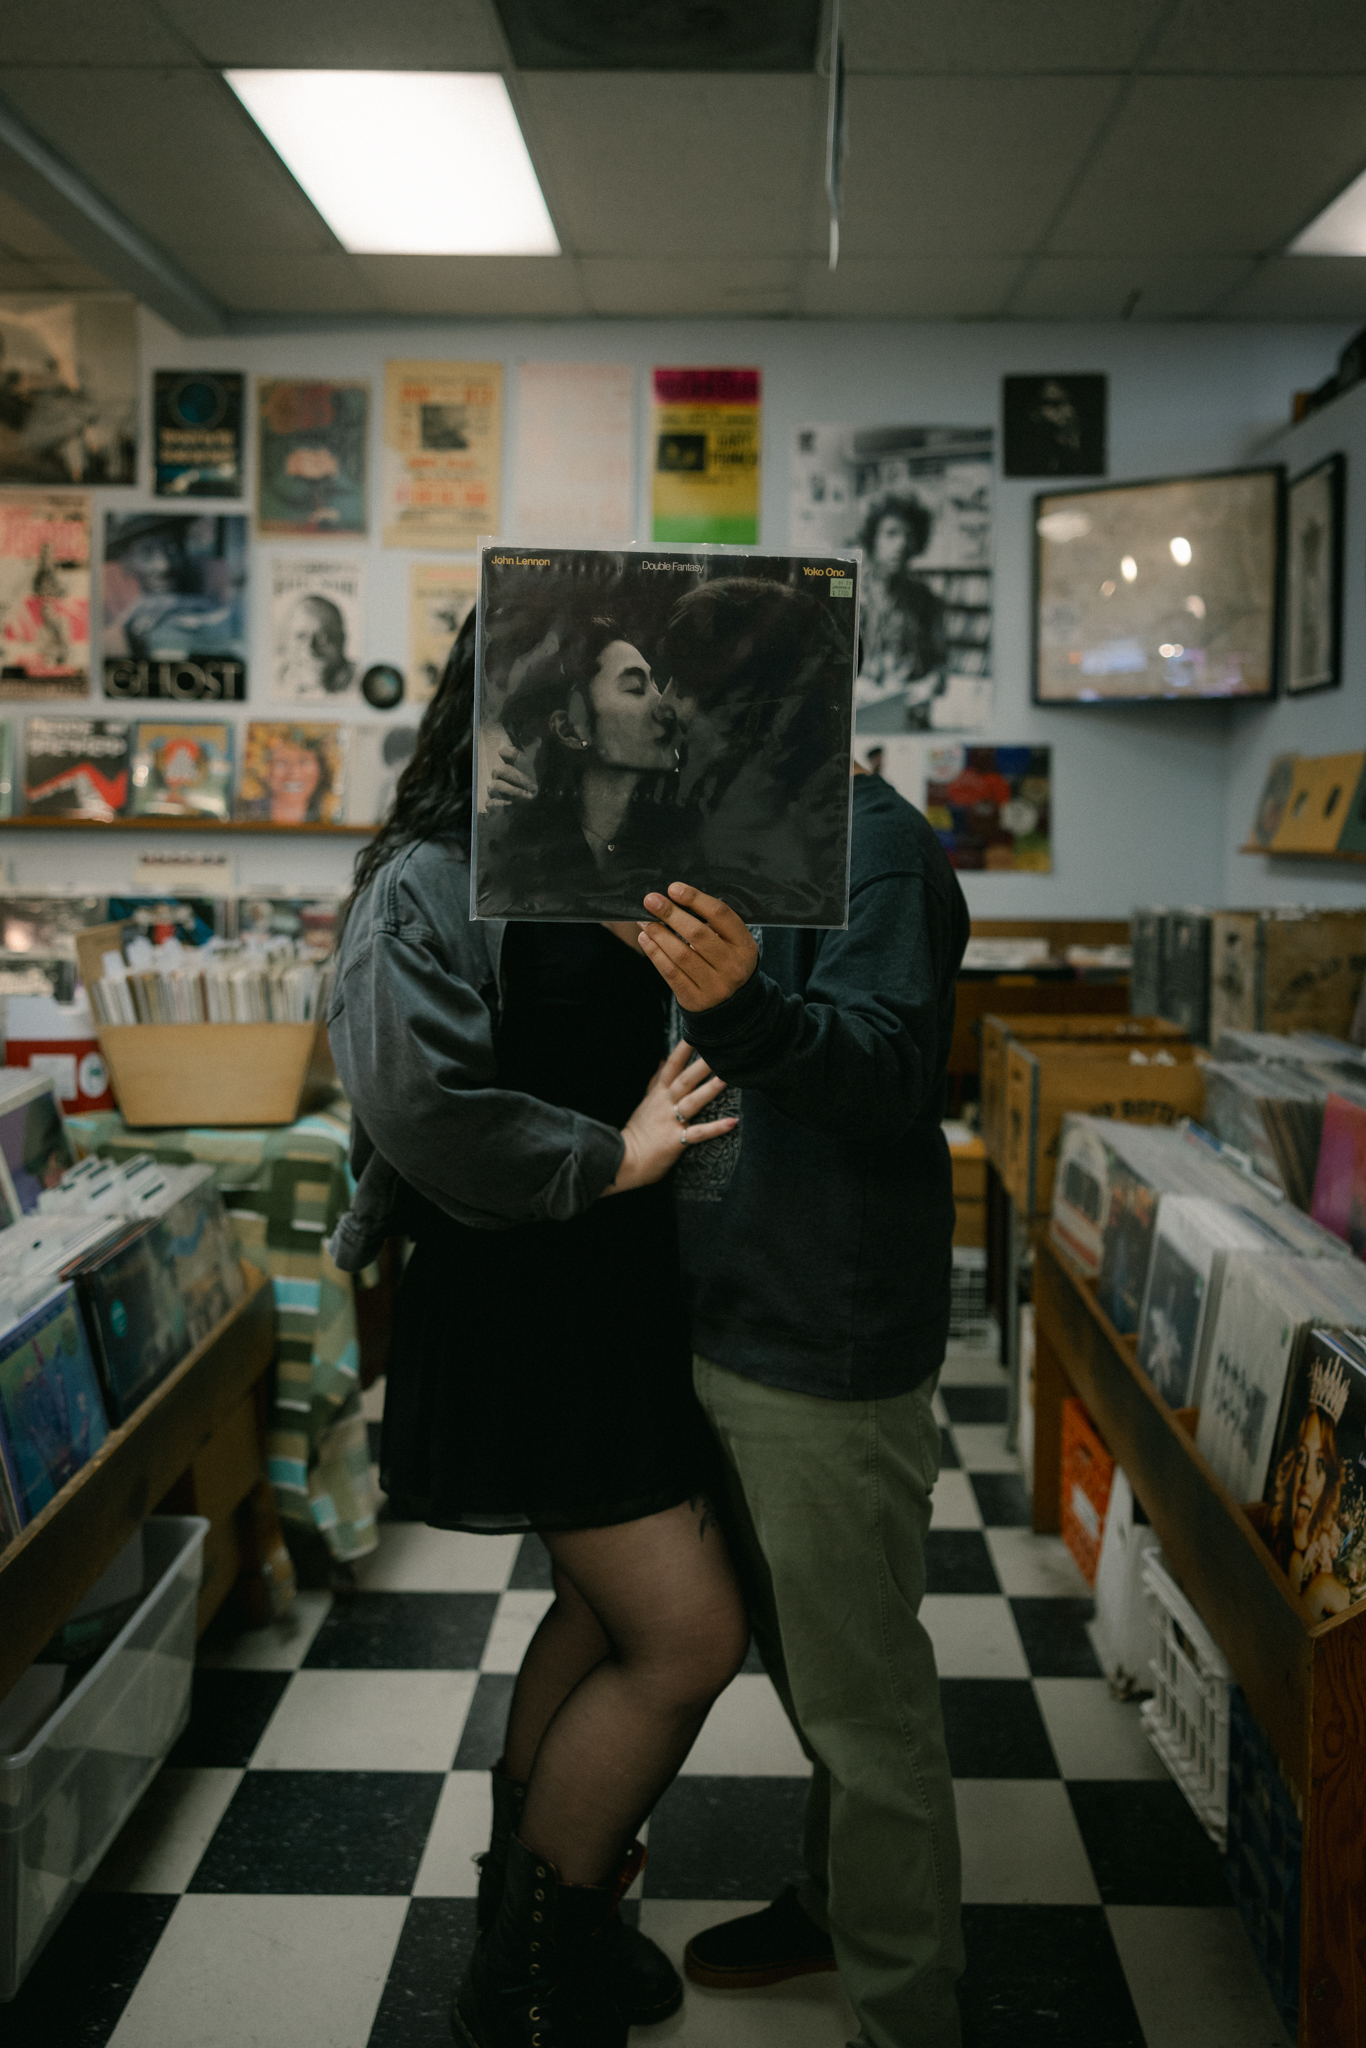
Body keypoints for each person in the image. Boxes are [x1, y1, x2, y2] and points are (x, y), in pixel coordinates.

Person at [325, 614, 750, 2048]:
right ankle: (523, 1969)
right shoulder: (433, 873)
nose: (666, 696)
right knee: (686, 1638)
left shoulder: (627, 866)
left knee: (602, 1610)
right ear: (556, 710)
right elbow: (418, 1102)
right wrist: (612, 1157)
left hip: (612, 1296)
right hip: (526, 1303)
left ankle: (532, 1920)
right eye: (635, 676)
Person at [632, 759, 970, 2048]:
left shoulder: (877, 847)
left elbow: (885, 1073)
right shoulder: (731, 823)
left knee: (864, 1707)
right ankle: (837, 1905)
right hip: (724, 1310)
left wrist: (745, 1008)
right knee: (816, 1670)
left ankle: (905, 2014)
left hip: (823, 1332)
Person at [476, 606, 688, 918]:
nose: (664, 706)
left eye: (655, 684)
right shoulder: (512, 851)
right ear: (570, 729)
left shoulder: (685, 838)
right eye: (635, 688)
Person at [855, 492, 948, 732]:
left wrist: (928, 686)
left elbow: (940, 667)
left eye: (908, 535)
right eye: (891, 534)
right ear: (873, 538)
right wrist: (855, 686)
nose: (901, 544)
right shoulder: (849, 594)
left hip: (910, 719)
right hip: (859, 719)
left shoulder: (926, 600)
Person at [276, 592, 356, 697]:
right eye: (300, 637)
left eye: (321, 638)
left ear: (341, 640)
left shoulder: (360, 682)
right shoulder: (275, 678)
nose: (310, 650)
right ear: (288, 641)